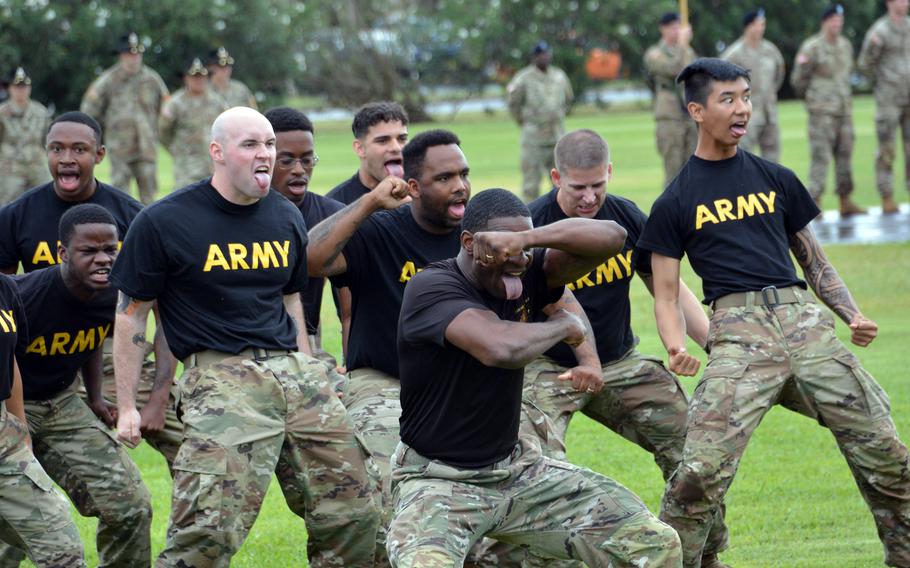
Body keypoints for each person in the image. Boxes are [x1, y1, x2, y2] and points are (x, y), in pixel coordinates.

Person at [637, 57, 910, 568]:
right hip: (739, 338)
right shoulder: (675, 200)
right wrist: (675, 346)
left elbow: (814, 261)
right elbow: (666, 292)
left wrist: (850, 313)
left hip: (805, 326)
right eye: (728, 99)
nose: (742, 109)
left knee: (885, 451)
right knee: (699, 472)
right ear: (696, 110)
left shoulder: (776, 178)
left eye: (746, 97)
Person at [111, 107, 379, 567]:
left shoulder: (284, 215)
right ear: (217, 152)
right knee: (206, 532)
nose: (267, 155)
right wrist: (129, 406)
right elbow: (132, 317)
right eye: (251, 145)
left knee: (355, 511)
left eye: (270, 144)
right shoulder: (164, 221)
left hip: (295, 376)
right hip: (221, 378)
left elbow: (292, 299)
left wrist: (308, 363)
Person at [387, 188, 682, 567]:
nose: (517, 262)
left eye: (523, 252)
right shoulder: (432, 287)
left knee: (652, 543)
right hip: (439, 480)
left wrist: (525, 240)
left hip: (518, 470)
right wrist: (564, 326)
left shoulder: (530, 269)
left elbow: (614, 237)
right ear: (469, 243)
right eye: (503, 251)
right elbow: (501, 349)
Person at [521, 129, 731, 568]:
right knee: (535, 464)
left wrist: (714, 344)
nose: (589, 197)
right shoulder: (533, 225)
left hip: (620, 363)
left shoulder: (626, 218)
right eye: (578, 187)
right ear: (556, 176)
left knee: (695, 448)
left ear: (610, 173)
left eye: (598, 184)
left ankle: (698, 555)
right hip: (548, 367)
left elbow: (668, 290)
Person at [0, 111, 182, 469]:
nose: (67, 159)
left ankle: (200, 523)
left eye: (79, 149)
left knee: (190, 438)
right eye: (57, 149)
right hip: (32, 355)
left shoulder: (135, 218)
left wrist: (160, 395)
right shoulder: (17, 216)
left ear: (99, 154)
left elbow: (166, 316)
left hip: (112, 348)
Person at [0, 204, 152, 567]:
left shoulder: (113, 292)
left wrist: (96, 396)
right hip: (13, 406)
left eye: (110, 250)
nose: (103, 260)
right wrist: (17, 427)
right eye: (89, 251)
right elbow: (8, 360)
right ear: (63, 254)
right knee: (19, 528)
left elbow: (90, 340)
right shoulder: (26, 293)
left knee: (132, 505)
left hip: (63, 402)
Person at [0, 274, 86, 568]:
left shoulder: (5, 287)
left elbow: (10, 362)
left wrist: (19, 429)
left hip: (4, 437)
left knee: (62, 548)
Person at [264, 106, 346, 368]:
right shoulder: (237, 211)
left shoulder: (331, 216)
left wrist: (353, 366)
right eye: (286, 160)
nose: (299, 170)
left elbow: (350, 308)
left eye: (307, 160)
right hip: (244, 345)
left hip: (306, 342)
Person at [791, 4, 867, 216]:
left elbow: (847, 74)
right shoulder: (812, 47)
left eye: (840, 20)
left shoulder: (845, 45)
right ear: (824, 21)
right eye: (834, 19)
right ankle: (815, 203)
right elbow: (798, 80)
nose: (837, 24)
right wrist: (814, 101)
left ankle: (845, 200)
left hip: (844, 110)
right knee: (820, 157)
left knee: (845, 156)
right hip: (821, 112)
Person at [80, 32, 169, 204]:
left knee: (150, 199)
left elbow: (166, 110)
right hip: (119, 148)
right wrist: (97, 137)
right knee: (120, 198)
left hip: (146, 148)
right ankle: (123, 230)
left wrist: (159, 133)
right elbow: (89, 110)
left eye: (137, 54)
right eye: (129, 54)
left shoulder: (152, 79)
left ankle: (149, 231)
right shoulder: (108, 80)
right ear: (121, 55)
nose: (134, 58)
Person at [858, 0, 910, 214]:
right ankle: (887, 196)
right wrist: (882, 83)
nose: (905, 3)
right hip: (889, 100)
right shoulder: (879, 31)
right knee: (887, 150)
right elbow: (865, 64)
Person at [507, 41, 574, 202]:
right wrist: (524, 122)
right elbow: (513, 103)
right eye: (540, 55)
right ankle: (531, 222)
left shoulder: (559, 76)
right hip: (533, 138)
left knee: (562, 181)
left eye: (546, 54)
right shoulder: (523, 78)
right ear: (534, 57)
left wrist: (557, 116)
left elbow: (568, 99)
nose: (544, 57)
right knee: (531, 185)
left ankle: (561, 217)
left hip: (557, 135)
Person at [721, 8, 786, 162]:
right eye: (757, 24)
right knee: (743, 159)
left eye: (763, 24)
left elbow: (779, 75)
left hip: (769, 114)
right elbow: (722, 85)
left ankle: (770, 187)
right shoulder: (734, 54)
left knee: (773, 162)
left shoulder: (771, 50)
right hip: (745, 116)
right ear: (747, 27)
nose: (760, 28)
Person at [159, 57, 228, 190]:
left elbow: (227, 129)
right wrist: (176, 150)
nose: (199, 80)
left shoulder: (218, 102)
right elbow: (163, 131)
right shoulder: (175, 103)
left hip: (213, 165)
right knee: (185, 204)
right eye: (194, 77)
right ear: (186, 78)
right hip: (186, 168)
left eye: (202, 77)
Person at [645, 12, 697, 186]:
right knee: (673, 172)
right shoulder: (655, 53)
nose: (677, 31)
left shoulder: (688, 51)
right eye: (673, 27)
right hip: (669, 115)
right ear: (663, 29)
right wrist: (683, 45)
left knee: (694, 169)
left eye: (679, 27)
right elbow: (675, 69)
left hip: (689, 113)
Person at [326, 101, 409, 205]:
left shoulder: (421, 194)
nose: (396, 148)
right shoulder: (334, 205)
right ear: (360, 148)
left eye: (402, 139)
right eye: (382, 140)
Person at [0, 67, 50, 204]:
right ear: (9, 88)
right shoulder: (2, 113)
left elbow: (48, 141)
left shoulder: (41, 112)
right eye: (17, 87)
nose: (21, 91)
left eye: (24, 87)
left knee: (47, 202)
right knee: (7, 209)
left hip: (37, 168)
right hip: (11, 170)